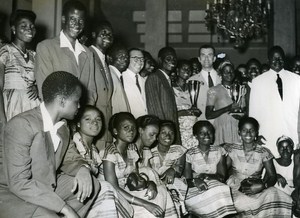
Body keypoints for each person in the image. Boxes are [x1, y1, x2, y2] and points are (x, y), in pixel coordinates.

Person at [0, 71, 100, 218]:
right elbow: (18, 182)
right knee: (50, 215)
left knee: (91, 185)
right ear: (62, 101)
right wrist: (64, 208)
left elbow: (69, 157)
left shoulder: (63, 126)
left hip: (44, 185)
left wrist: (83, 169)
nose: (79, 105)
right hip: (13, 194)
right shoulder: (22, 125)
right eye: (76, 101)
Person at [72, 105, 133, 218]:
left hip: (87, 193)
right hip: (74, 195)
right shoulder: (73, 145)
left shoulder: (94, 150)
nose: (95, 123)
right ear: (78, 123)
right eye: (88, 119)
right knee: (107, 189)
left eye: (98, 119)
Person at [101, 112, 165, 218]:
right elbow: (113, 187)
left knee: (161, 191)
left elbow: (135, 178)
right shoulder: (110, 153)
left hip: (126, 192)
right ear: (115, 131)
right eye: (126, 127)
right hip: (111, 196)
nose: (131, 131)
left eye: (133, 128)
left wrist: (151, 184)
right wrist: (145, 203)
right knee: (150, 211)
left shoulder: (131, 149)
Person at [225, 117, 293, 217]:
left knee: (278, 195)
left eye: (252, 130)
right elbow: (223, 171)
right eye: (244, 130)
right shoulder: (232, 149)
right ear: (239, 132)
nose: (248, 134)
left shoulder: (264, 152)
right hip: (235, 187)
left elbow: (272, 176)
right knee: (239, 202)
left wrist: (262, 186)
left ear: (256, 133)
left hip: (256, 187)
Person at [34, 0, 97, 105]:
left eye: (81, 20)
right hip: (57, 114)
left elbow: (91, 91)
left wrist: (84, 115)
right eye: (73, 19)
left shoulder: (88, 53)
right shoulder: (46, 47)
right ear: (63, 19)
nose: (77, 24)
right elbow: (44, 90)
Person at [249, 45, 300, 157]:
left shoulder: (296, 80)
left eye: (280, 58)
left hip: (292, 132)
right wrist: (256, 135)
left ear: (284, 59)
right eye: (274, 58)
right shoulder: (258, 82)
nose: (277, 61)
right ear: (268, 60)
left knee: (293, 169)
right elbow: (253, 112)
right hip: (268, 132)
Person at [184, 121, 236, 218]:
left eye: (209, 132)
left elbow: (221, 177)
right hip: (196, 191)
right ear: (195, 135)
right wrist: (195, 181)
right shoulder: (189, 154)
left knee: (220, 188)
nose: (206, 135)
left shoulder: (219, 151)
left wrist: (203, 176)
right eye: (202, 133)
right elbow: (187, 180)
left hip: (216, 188)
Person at [0, 10, 40, 124]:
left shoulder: (35, 55)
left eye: (32, 26)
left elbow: (41, 80)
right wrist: (2, 119)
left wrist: (37, 88)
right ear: (13, 29)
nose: (29, 29)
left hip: (33, 107)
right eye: (24, 26)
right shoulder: (5, 51)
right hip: (12, 107)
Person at [149, 120, 187, 216]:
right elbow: (148, 173)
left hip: (173, 183)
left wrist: (172, 169)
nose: (168, 136)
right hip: (155, 184)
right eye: (163, 133)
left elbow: (178, 172)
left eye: (171, 133)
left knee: (176, 185)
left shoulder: (179, 150)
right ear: (157, 136)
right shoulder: (149, 152)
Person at [145, 46, 181, 144]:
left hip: (171, 133)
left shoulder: (167, 79)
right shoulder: (154, 77)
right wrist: (162, 134)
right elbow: (154, 110)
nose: (172, 61)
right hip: (163, 136)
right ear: (160, 60)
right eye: (168, 59)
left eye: (174, 59)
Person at [206, 60, 245, 145]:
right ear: (220, 74)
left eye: (231, 71)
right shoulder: (213, 90)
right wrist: (228, 108)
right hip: (221, 128)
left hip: (237, 127)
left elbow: (245, 111)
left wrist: (241, 116)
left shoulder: (241, 89)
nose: (229, 73)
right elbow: (208, 115)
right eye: (226, 72)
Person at [89, 20, 114, 152]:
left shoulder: (104, 60)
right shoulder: (87, 55)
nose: (107, 36)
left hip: (105, 125)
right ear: (94, 34)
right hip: (92, 125)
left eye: (110, 34)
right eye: (103, 33)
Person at [188, 44, 221, 121]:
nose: (206, 58)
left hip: (221, 124)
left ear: (214, 58)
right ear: (199, 59)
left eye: (209, 55)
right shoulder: (191, 81)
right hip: (202, 124)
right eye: (203, 55)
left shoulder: (223, 78)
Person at [173, 60, 200, 149]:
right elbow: (170, 112)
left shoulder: (193, 88)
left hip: (193, 127)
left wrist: (196, 111)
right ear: (177, 71)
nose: (187, 71)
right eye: (183, 68)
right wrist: (186, 112)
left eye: (189, 69)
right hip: (179, 127)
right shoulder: (170, 88)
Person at [106, 43, 131, 114]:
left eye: (127, 57)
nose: (125, 59)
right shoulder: (110, 75)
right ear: (109, 59)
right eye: (121, 57)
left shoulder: (117, 75)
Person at [123, 48, 147, 118]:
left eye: (142, 59)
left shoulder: (143, 80)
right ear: (127, 60)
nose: (139, 62)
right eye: (136, 59)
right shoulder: (121, 78)